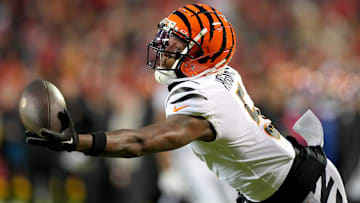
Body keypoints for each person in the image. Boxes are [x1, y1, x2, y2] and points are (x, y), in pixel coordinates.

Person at [25, 3, 347, 203]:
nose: (164, 48)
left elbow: (142, 141)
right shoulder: (221, 74)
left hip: (303, 188)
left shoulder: (204, 97)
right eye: (167, 37)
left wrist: (79, 142)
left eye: (177, 42)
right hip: (266, 188)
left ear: (203, 53)